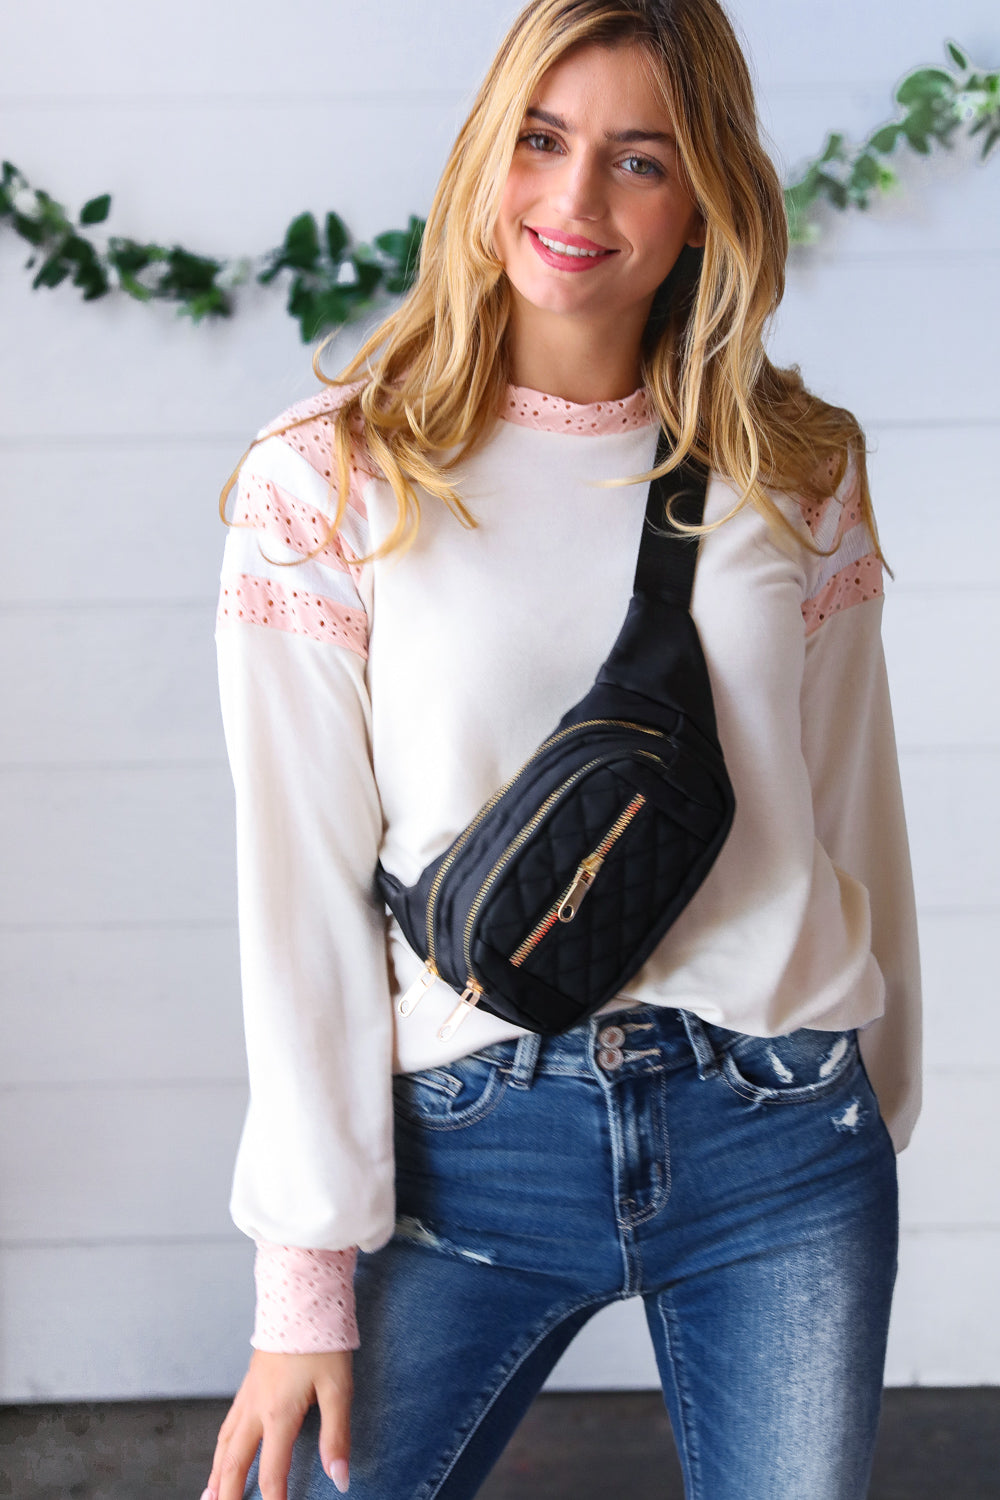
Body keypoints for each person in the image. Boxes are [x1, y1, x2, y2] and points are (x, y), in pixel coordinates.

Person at [204, 2, 921, 1496]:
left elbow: (853, 805)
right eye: (543, 139)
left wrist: (879, 1095)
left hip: (780, 1138)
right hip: (470, 1145)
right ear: (488, 153)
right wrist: (304, 1283)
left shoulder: (798, 468)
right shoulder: (334, 476)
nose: (577, 197)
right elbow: (298, 896)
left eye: (640, 159)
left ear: (707, 201)